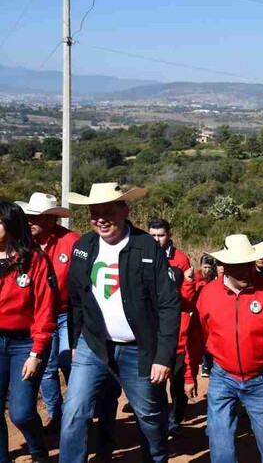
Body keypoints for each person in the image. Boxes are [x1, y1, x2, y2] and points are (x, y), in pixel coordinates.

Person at [60, 183, 181, 463]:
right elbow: (76, 299)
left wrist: (163, 357)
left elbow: (168, 304)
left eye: (108, 211)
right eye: (94, 212)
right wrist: (75, 341)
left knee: (149, 416)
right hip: (93, 345)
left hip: (138, 350)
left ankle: (157, 457)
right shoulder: (83, 247)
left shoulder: (146, 246)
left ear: (125, 210)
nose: (101, 219)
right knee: (75, 411)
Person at [196, 234, 263, 463]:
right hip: (222, 376)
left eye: (249, 265)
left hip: (261, 379)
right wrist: (190, 374)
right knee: (219, 439)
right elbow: (198, 336)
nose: (247, 272)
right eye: (239, 267)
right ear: (226, 267)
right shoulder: (209, 294)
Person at [16, 192, 79, 432]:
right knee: (46, 367)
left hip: (66, 313)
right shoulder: (23, 245)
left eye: (36, 217)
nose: (30, 221)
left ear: (52, 219)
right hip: (38, 316)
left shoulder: (72, 241)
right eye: (29, 216)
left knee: (68, 362)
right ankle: (57, 416)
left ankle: (76, 413)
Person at [0, 201, 56, 463]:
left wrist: (36, 352)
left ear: (11, 225)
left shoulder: (34, 260)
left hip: (25, 343)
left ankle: (38, 452)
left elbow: (45, 310)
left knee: (21, 413)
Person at [148, 217, 197, 435]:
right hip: (150, 327)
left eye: (160, 235)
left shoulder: (181, 260)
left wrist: (188, 282)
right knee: (153, 378)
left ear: (169, 235)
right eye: (153, 235)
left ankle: (175, 419)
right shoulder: (143, 253)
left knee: (177, 379)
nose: (157, 239)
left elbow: (187, 301)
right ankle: (156, 418)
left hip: (176, 327)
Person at [196, 254, 217, 378]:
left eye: (209, 267)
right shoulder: (195, 278)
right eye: (205, 267)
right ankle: (204, 363)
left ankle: (208, 363)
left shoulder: (213, 278)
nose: (207, 270)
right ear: (200, 266)